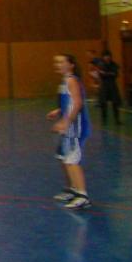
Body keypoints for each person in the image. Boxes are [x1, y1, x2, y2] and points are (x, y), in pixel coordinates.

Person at [47, 54, 92, 210]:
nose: (58, 64)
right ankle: (73, 189)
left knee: (72, 160)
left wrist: (65, 122)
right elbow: (69, 103)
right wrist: (59, 111)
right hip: (69, 127)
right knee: (63, 157)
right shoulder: (64, 81)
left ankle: (83, 195)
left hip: (75, 128)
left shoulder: (72, 80)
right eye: (56, 62)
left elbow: (77, 103)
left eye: (61, 62)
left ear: (71, 65)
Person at [94, 50, 122, 124]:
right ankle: (104, 120)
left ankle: (117, 119)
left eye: (108, 56)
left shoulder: (114, 64)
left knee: (115, 103)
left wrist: (106, 73)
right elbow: (101, 74)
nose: (107, 57)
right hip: (104, 85)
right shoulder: (101, 65)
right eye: (105, 56)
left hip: (112, 85)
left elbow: (116, 74)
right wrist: (109, 74)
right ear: (103, 57)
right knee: (103, 103)